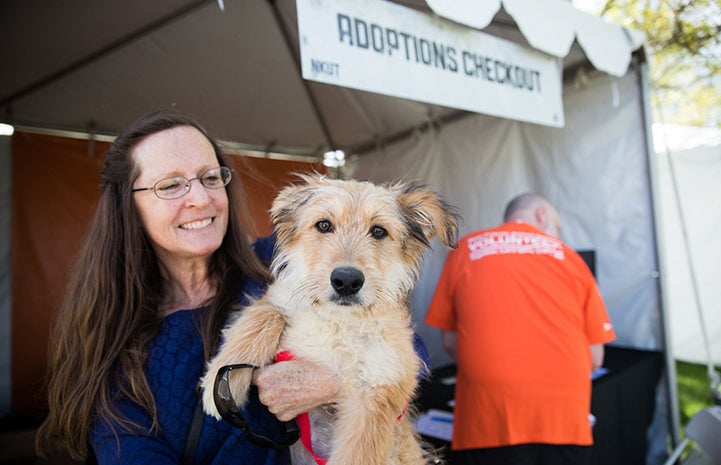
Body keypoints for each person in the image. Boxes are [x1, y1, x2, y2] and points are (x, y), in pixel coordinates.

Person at [34, 110, 343, 464]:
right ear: (128, 206)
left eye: (210, 177)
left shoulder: (281, 261)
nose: (201, 197)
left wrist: (332, 382)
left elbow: (406, 346)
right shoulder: (115, 341)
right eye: (170, 185)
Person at [425, 192, 616, 465]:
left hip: (486, 422)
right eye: (557, 228)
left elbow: (450, 341)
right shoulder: (570, 256)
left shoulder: (466, 249)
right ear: (542, 216)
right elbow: (595, 357)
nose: (556, 236)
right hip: (563, 423)